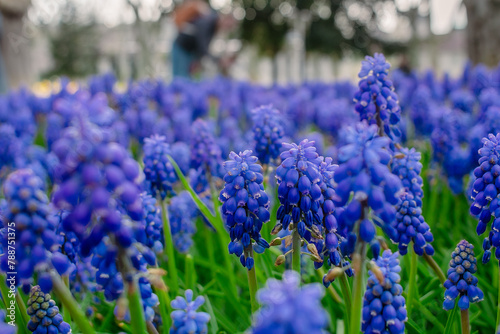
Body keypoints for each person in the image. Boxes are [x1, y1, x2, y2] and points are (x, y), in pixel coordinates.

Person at [171, 0, 220, 78]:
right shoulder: (200, 9)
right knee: (180, 77)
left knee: (188, 77)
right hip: (181, 46)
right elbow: (177, 21)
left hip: (190, 51)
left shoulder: (209, 14)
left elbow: (202, 43)